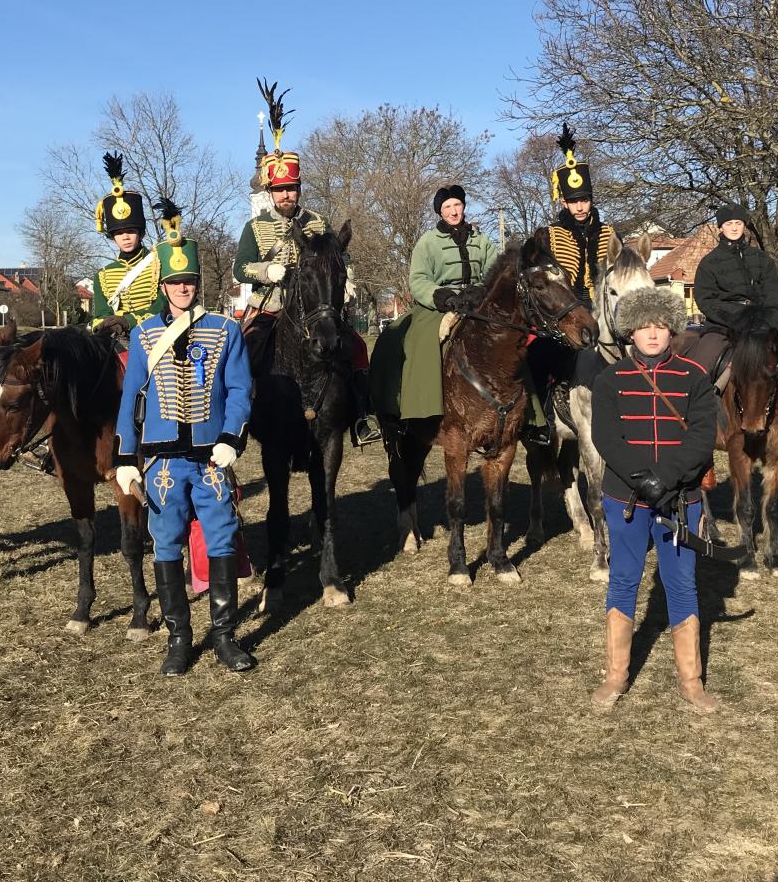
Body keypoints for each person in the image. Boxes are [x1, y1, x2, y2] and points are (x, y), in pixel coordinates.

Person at [116, 199, 255, 676]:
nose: (182, 288)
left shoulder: (225, 329)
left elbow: (239, 389)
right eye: (175, 282)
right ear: (163, 286)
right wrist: (125, 456)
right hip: (163, 463)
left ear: (198, 284)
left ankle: (224, 636)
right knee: (166, 543)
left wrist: (231, 437)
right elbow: (131, 398)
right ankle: (179, 638)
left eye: (189, 281)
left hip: (211, 457)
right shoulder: (143, 335)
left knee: (222, 538)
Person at [586, 285, 719, 713]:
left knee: (681, 582)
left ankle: (691, 681)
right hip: (626, 497)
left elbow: (702, 437)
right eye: (644, 326)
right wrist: (643, 480)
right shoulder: (610, 380)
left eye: (660, 326)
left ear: (672, 330)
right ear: (631, 332)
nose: (653, 334)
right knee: (624, 578)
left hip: (680, 498)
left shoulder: (694, 378)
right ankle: (616, 675)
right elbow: (606, 437)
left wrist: (666, 478)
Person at [234, 81, 378, 445]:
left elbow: (339, 256)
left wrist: (347, 277)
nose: (286, 195)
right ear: (270, 192)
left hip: (315, 308)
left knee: (357, 347)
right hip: (270, 307)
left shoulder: (317, 221)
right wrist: (267, 271)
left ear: (299, 189)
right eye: (280, 190)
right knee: (240, 353)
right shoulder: (255, 227)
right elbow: (240, 268)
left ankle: (361, 417)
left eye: (292, 188)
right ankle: (241, 422)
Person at [526, 125, 616, 445]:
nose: (580, 206)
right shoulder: (548, 236)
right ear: (563, 202)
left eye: (584, 200)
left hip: (602, 312)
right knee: (536, 355)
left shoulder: (609, 234)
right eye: (573, 201)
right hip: (563, 315)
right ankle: (542, 419)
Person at [381, 184, 499, 421]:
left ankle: (531, 418)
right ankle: (420, 409)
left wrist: (480, 291)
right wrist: (444, 297)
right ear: (440, 211)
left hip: (479, 302)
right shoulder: (428, 242)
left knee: (511, 335)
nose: (454, 211)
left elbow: (494, 271)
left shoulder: (482, 240)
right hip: (440, 304)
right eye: (447, 207)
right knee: (419, 340)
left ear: (463, 206)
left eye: (457, 205)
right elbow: (418, 279)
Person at [684, 202, 778, 396]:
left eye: (738, 223)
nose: (734, 228)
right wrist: (735, 316)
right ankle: (696, 403)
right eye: (729, 224)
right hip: (723, 325)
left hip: (762, 321)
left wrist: (763, 316)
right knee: (702, 360)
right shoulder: (709, 263)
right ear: (721, 227)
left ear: (744, 225)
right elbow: (706, 300)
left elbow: (774, 292)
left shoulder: (762, 259)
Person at [89, 152, 162, 337]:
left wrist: (128, 321)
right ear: (113, 237)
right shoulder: (103, 275)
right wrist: (102, 325)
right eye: (119, 233)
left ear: (141, 233)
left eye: (130, 231)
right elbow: (101, 313)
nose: (125, 237)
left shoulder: (158, 264)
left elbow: (162, 306)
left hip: (154, 334)